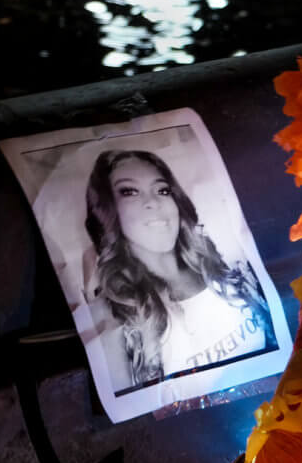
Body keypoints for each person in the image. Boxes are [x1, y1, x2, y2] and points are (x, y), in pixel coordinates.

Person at [84, 149, 276, 393]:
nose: (152, 202)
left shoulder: (221, 263)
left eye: (162, 190)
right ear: (108, 212)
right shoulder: (115, 312)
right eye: (129, 192)